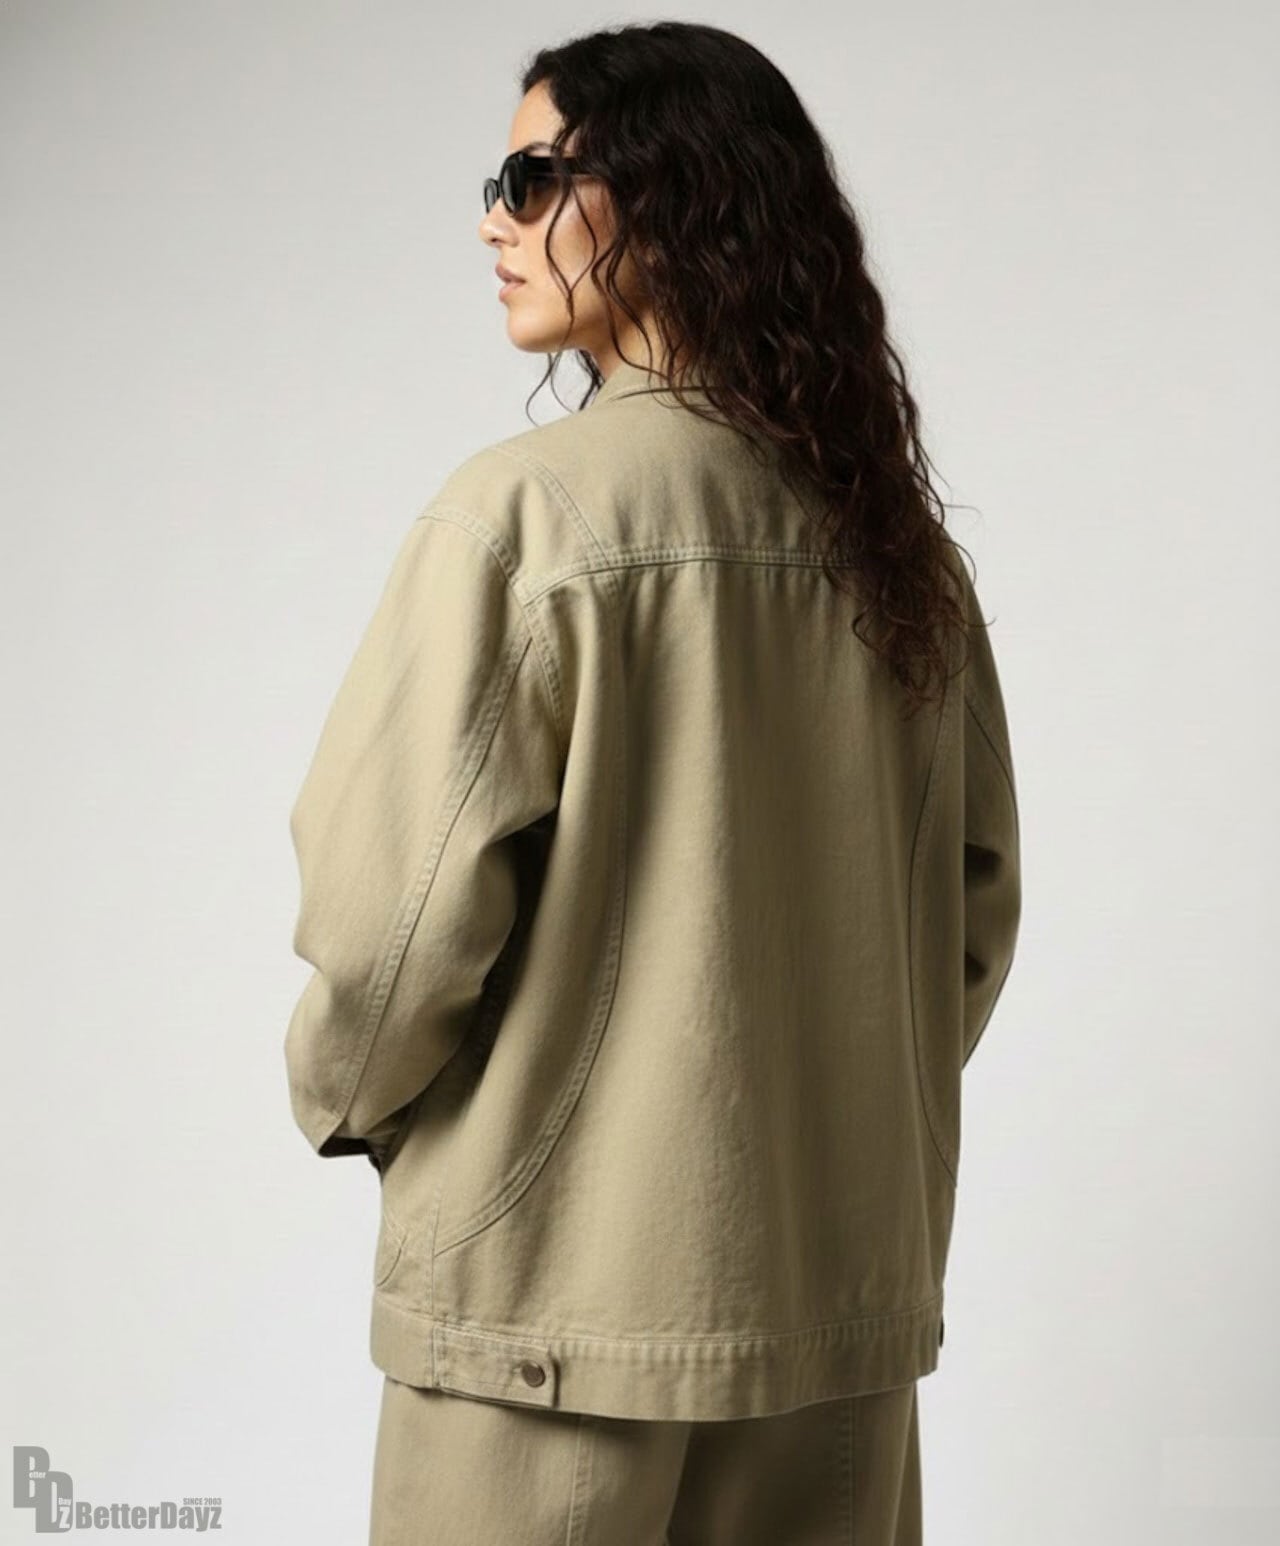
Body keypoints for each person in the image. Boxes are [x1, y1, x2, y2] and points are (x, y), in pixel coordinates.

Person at [283, 21, 1022, 1546]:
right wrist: (824, 1110)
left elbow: (383, 931)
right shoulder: (897, 548)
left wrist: (363, 1109)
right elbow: (971, 915)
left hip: (548, 1324)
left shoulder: (524, 518)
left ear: (673, 194)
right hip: (832, 1329)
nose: (494, 219)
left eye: (531, 178)